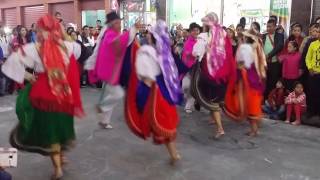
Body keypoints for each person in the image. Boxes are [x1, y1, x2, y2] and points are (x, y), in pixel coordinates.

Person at [1, 15, 83, 179]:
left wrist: (27, 76)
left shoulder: (34, 48)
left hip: (44, 97)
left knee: (50, 131)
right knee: (61, 128)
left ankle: (58, 168)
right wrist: (64, 33)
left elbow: (10, 64)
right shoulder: (68, 46)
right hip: (64, 96)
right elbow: (78, 50)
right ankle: (61, 156)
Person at [125, 20, 182, 165]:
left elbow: (145, 75)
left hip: (153, 90)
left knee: (154, 120)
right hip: (164, 90)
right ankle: (173, 153)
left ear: (151, 36)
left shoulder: (147, 51)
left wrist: (142, 90)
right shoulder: (164, 52)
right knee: (164, 121)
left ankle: (174, 153)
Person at [85, 11, 140, 129]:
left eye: (119, 22)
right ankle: (101, 107)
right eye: (117, 23)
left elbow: (123, 42)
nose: (119, 25)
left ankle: (104, 121)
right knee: (117, 94)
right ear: (111, 24)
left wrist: (132, 31)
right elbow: (120, 43)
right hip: (108, 72)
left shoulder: (111, 34)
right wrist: (133, 29)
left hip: (109, 71)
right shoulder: (110, 35)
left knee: (110, 95)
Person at [192, 12, 235, 138]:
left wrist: (203, 51)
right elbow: (228, 53)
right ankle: (214, 119)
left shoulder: (204, 36)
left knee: (212, 101)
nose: (203, 24)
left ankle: (220, 128)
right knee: (216, 98)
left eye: (205, 22)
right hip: (223, 73)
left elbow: (196, 53)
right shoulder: (223, 34)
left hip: (211, 74)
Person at [224, 30, 266, 137]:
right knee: (253, 105)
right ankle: (255, 128)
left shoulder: (245, 48)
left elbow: (243, 64)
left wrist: (237, 69)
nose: (241, 37)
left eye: (243, 36)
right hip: (255, 79)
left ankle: (254, 130)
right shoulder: (256, 48)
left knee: (250, 105)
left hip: (248, 80)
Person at [180, 22, 201, 113]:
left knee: (193, 87)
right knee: (185, 86)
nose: (196, 32)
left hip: (198, 67)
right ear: (190, 32)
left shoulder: (200, 41)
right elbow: (186, 53)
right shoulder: (188, 41)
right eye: (194, 30)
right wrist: (191, 54)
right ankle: (190, 99)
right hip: (188, 67)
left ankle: (189, 106)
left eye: (197, 30)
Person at [263, 19, 285, 99]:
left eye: (270, 26)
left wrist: (269, 55)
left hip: (275, 63)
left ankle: (272, 99)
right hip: (264, 63)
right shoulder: (264, 36)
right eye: (267, 26)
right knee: (265, 82)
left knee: (273, 82)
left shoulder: (279, 36)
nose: (268, 28)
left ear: (275, 27)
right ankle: (265, 99)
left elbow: (279, 46)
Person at [305, 30, 320, 117]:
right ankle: (311, 111)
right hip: (312, 73)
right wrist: (310, 68)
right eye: (318, 32)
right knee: (311, 93)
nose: (318, 34)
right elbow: (308, 58)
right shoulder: (313, 44)